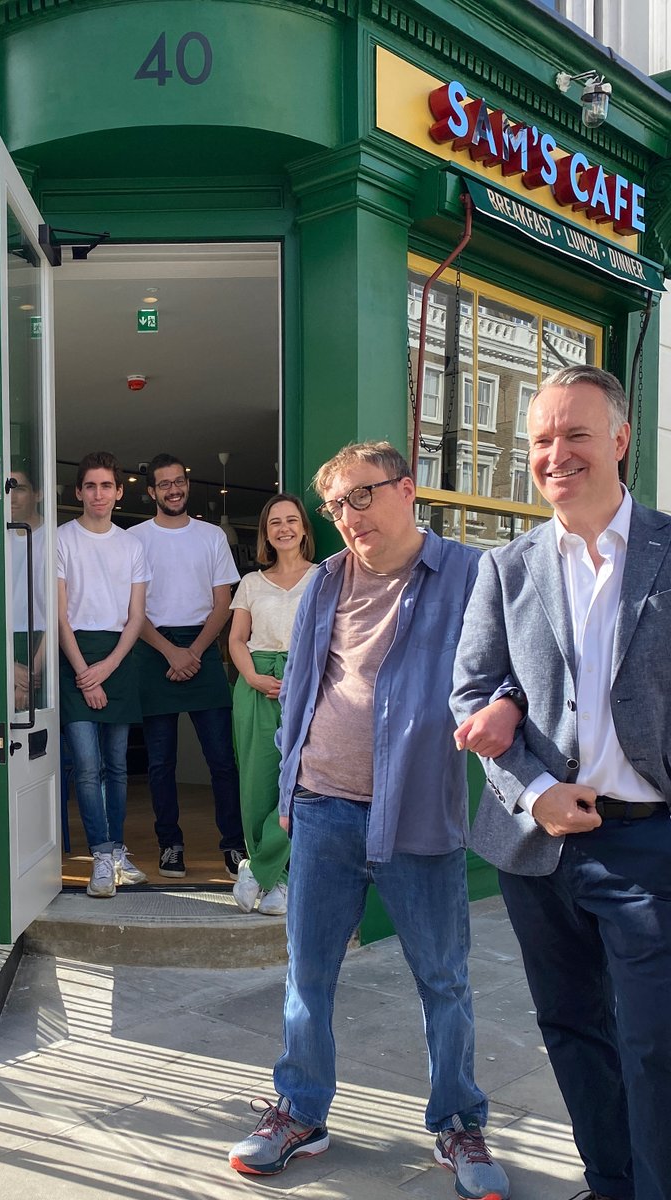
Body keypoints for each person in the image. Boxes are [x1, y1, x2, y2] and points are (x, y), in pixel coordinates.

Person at [228, 441, 520, 1200]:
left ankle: (458, 1120)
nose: (348, 518)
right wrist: (290, 790)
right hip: (324, 806)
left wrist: (506, 706)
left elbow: (512, 667)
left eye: (362, 497)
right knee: (308, 973)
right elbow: (300, 686)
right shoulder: (326, 579)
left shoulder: (466, 574)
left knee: (443, 978)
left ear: (406, 490)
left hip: (418, 809)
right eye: (336, 506)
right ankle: (300, 1111)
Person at [451, 365, 671, 1200]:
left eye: (575, 434)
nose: (556, 453)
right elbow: (472, 691)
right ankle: (610, 1182)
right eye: (541, 439)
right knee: (573, 1029)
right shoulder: (505, 567)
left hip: (649, 838)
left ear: (619, 441)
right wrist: (531, 786)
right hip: (537, 846)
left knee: (655, 1043)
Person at [130, 454, 245, 879]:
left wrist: (193, 651)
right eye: (164, 484)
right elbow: (133, 610)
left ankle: (234, 845)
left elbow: (223, 603)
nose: (173, 489)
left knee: (222, 760)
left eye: (179, 481)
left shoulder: (212, 536)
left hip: (202, 647)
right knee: (160, 763)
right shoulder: (135, 539)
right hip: (153, 649)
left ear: (187, 485)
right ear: (151, 492)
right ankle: (170, 845)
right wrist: (170, 652)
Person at [58, 450, 150, 899]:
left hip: (119, 657)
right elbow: (57, 617)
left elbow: (136, 617)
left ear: (118, 491)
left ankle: (117, 853)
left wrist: (108, 667)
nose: (99, 494)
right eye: (90, 486)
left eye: (106, 486)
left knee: (117, 766)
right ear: (79, 491)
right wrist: (84, 673)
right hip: (75, 653)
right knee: (87, 766)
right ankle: (99, 855)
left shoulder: (132, 545)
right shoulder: (60, 540)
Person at [228, 493, 317, 916]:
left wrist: (298, 681)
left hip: (306, 684)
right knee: (257, 781)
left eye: (291, 520)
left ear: (303, 528)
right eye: (274, 522)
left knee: (299, 782)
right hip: (255, 682)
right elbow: (235, 639)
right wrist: (252, 676)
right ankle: (273, 878)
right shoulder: (250, 583)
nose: (284, 528)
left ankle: (264, 871)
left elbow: (329, 641)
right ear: (265, 533)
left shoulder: (322, 578)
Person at [7, 463, 47, 713]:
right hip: (3, 645)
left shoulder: (55, 538)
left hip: (45, 643)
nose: (11, 497)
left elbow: (61, 613)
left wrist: (33, 671)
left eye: (19, 488)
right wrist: (9, 665)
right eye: (7, 489)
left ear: (38, 494)